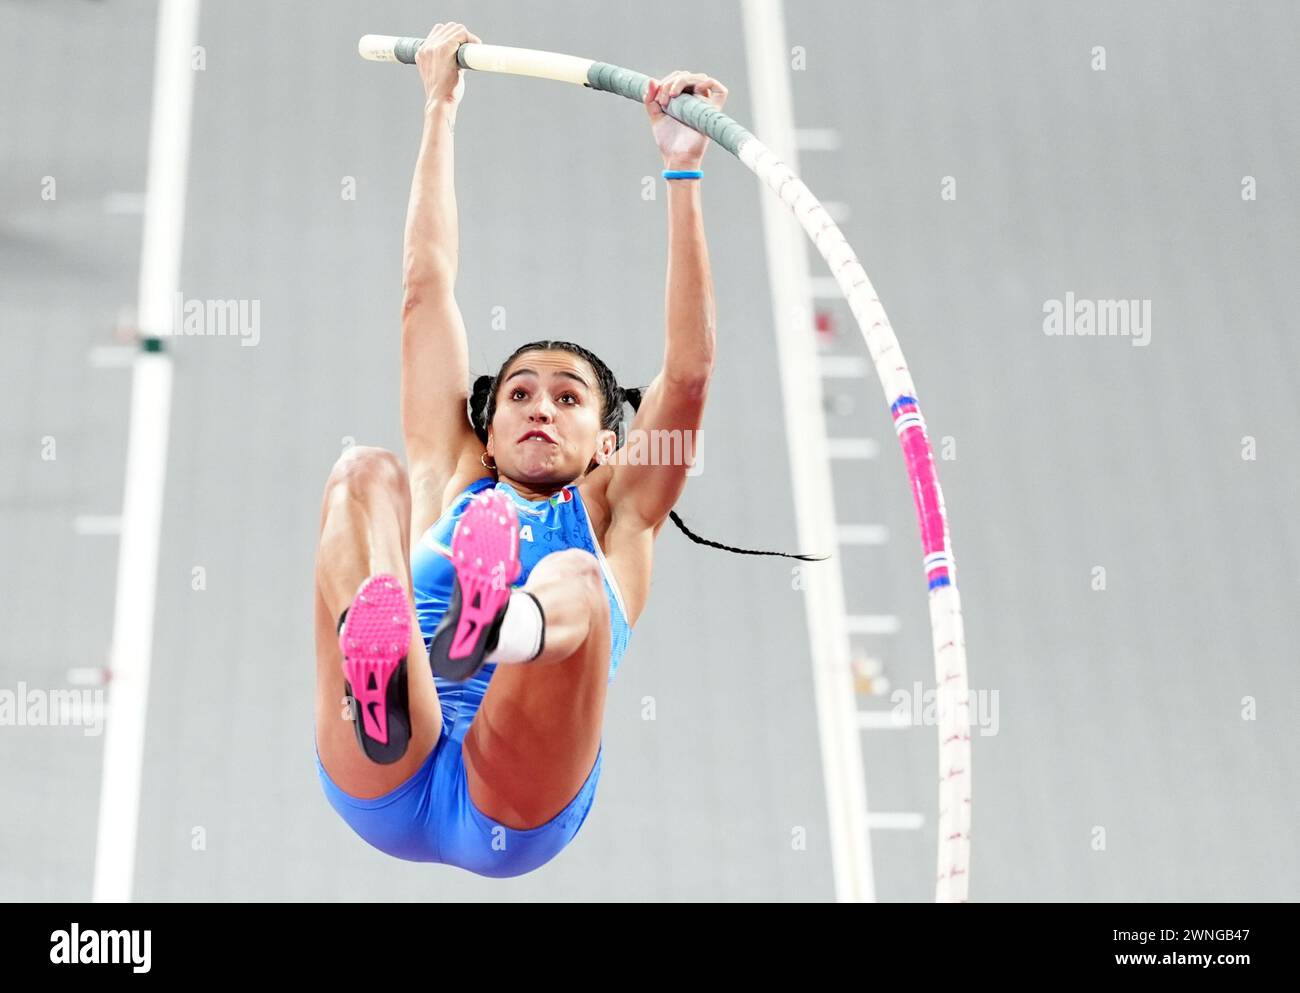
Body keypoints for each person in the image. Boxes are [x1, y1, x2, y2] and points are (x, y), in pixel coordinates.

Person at [313, 21, 806, 877]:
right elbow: (424, 287)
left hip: (513, 802)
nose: (540, 407)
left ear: (609, 439)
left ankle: (495, 627)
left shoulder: (622, 516)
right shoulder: (451, 473)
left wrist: (681, 167)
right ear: (489, 425)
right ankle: (385, 667)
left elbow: (687, 375)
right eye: (520, 393)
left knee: (574, 578)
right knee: (362, 476)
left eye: (568, 397)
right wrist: (440, 108)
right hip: (385, 761)